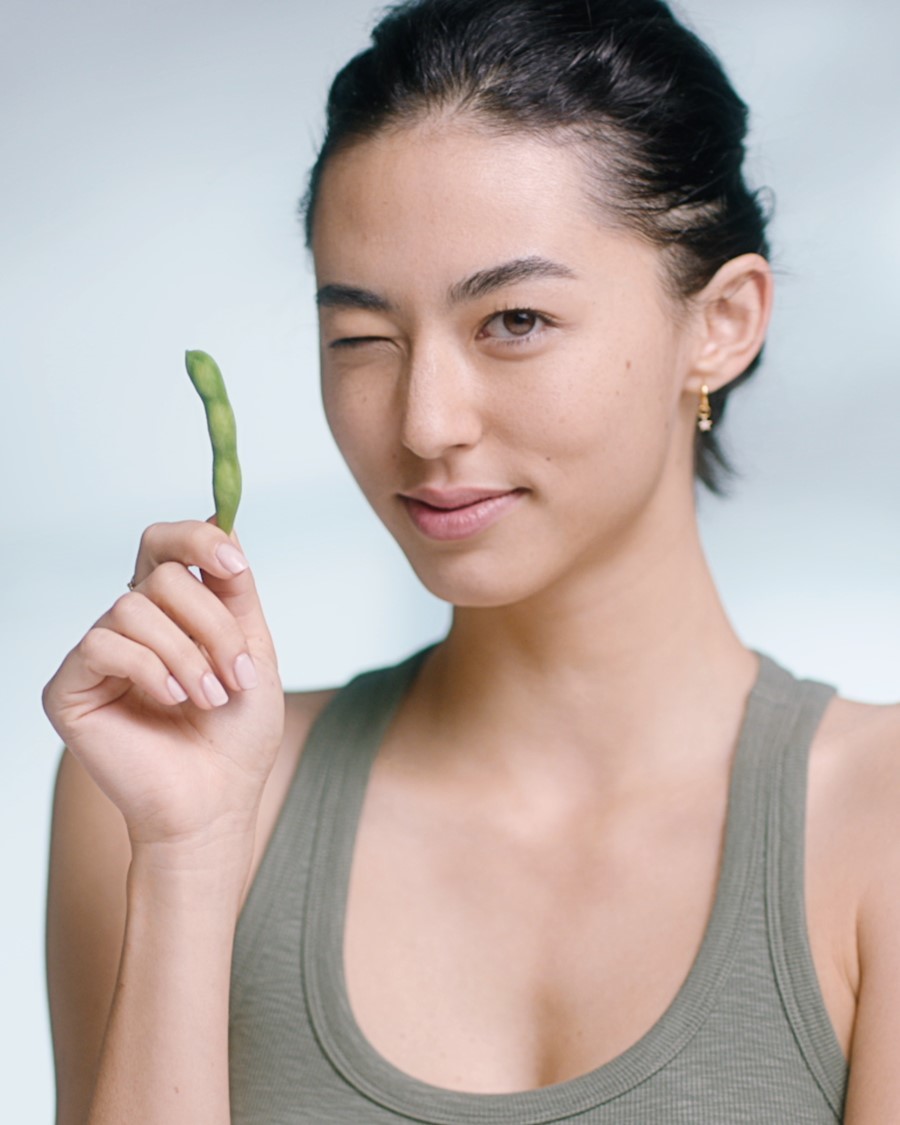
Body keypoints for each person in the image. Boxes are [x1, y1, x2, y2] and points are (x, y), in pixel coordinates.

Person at [42, 0, 900, 1121]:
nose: (426, 422)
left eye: (515, 321)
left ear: (723, 322)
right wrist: (191, 858)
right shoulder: (164, 800)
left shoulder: (877, 823)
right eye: (362, 339)